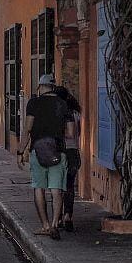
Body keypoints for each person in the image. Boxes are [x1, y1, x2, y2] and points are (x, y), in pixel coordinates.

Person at [16, 74, 70, 240]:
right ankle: (55, 224)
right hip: (58, 151)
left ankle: (45, 225)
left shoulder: (34, 103)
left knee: (39, 188)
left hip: (37, 150)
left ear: (40, 87)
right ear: (53, 87)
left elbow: (27, 129)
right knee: (56, 190)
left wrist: (20, 151)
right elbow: (71, 132)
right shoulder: (63, 104)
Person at [52, 85, 82, 232]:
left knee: (57, 185)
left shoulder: (58, 114)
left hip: (60, 151)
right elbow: (79, 133)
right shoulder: (76, 113)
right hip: (74, 152)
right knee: (69, 185)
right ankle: (68, 215)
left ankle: (57, 218)